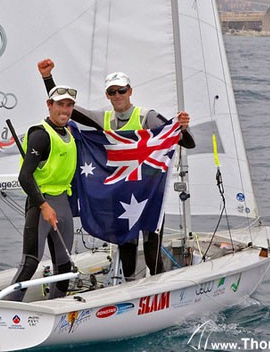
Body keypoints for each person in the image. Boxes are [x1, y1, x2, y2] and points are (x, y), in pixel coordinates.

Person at [37, 58, 195, 280]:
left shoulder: (146, 116)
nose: (118, 95)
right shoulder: (105, 119)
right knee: (127, 248)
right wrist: (48, 78)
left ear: (130, 91)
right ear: (107, 96)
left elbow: (186, 143)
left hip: (150, 195)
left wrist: (183, 128)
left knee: (152, 250)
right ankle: (130, 290)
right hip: (122, 196)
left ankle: (160, 287)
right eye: (112, 92)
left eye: (121, 90)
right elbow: (67, 109)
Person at [5, 84, 78, 301]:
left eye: (69, 105)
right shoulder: (40, 135)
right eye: (60, 105)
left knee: (64, 264)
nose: (64, 110)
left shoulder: (68, 132)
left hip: (63, 203)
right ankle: (5, 310)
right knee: (30, 263)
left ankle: (56, 308)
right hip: (41, 205)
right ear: (49, 105)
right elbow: (24, 176)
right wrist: (44, 206)